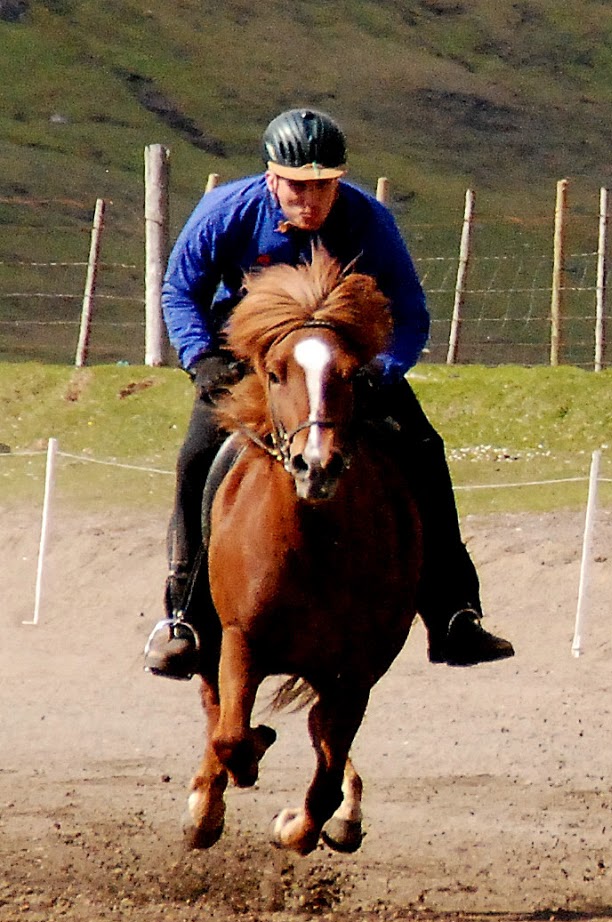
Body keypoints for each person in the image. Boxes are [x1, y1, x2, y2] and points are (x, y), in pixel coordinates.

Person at [143, 107, 514, 679]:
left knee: (424, 449)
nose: (310, 200)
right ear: (272, 178)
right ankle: (185, 618)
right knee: (197, 458)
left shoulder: (368, 220)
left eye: (323, 186)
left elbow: (410, 311)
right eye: (297, 187)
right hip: (249, 359)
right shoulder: (227, 211)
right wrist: (199, 358)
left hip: (346, 366)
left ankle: (453, 612)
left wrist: (382, 370)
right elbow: (179, 289)